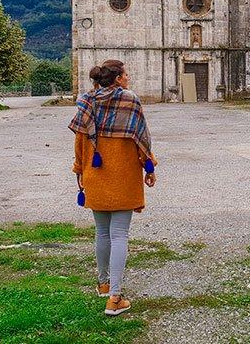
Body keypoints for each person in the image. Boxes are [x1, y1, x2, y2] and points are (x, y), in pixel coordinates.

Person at [68, 59, 157, 316]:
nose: (128, 78)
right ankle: (115, 298)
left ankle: (103, 283)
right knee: (119, 235)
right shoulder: (130, 101)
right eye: (126, 74)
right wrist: (149, 168)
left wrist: (79, 170)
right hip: (123, 176)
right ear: (118, 78)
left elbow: (79, 141)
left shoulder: (86, 101)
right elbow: (142, 139)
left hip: (94, 174)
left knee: (102, 232)